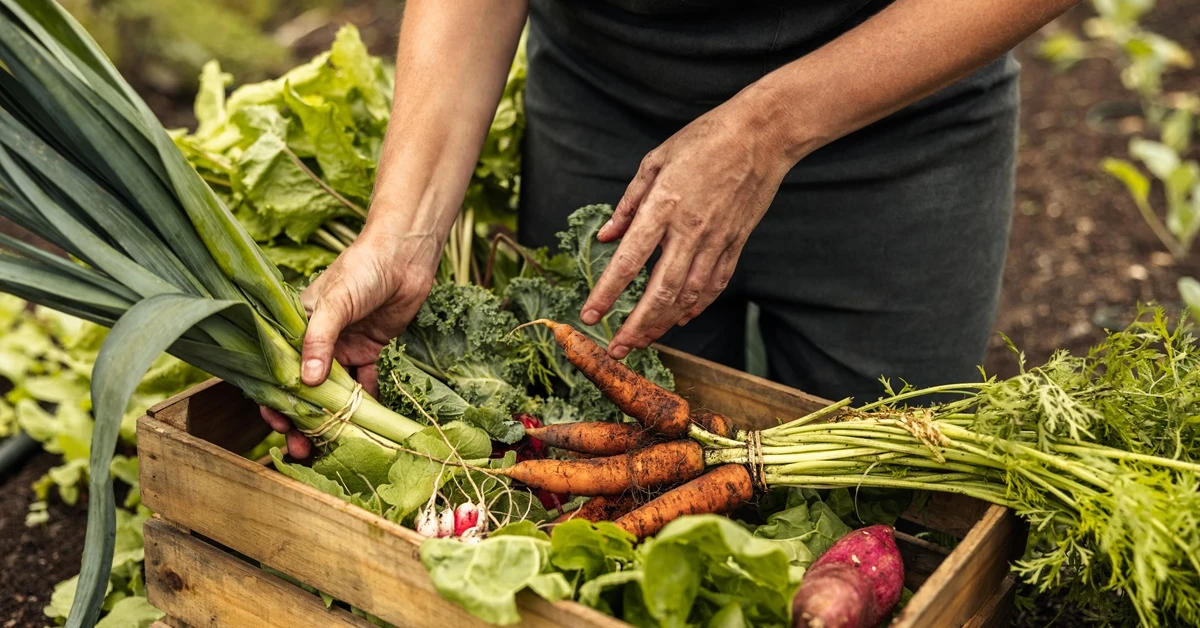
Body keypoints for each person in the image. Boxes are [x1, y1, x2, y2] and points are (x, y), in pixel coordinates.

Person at [261, 0, 1081, 457]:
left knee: (883, 500)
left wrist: (767, 128)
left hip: (899, 116)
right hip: (608, 107)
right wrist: (402, 232)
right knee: (598, 463)